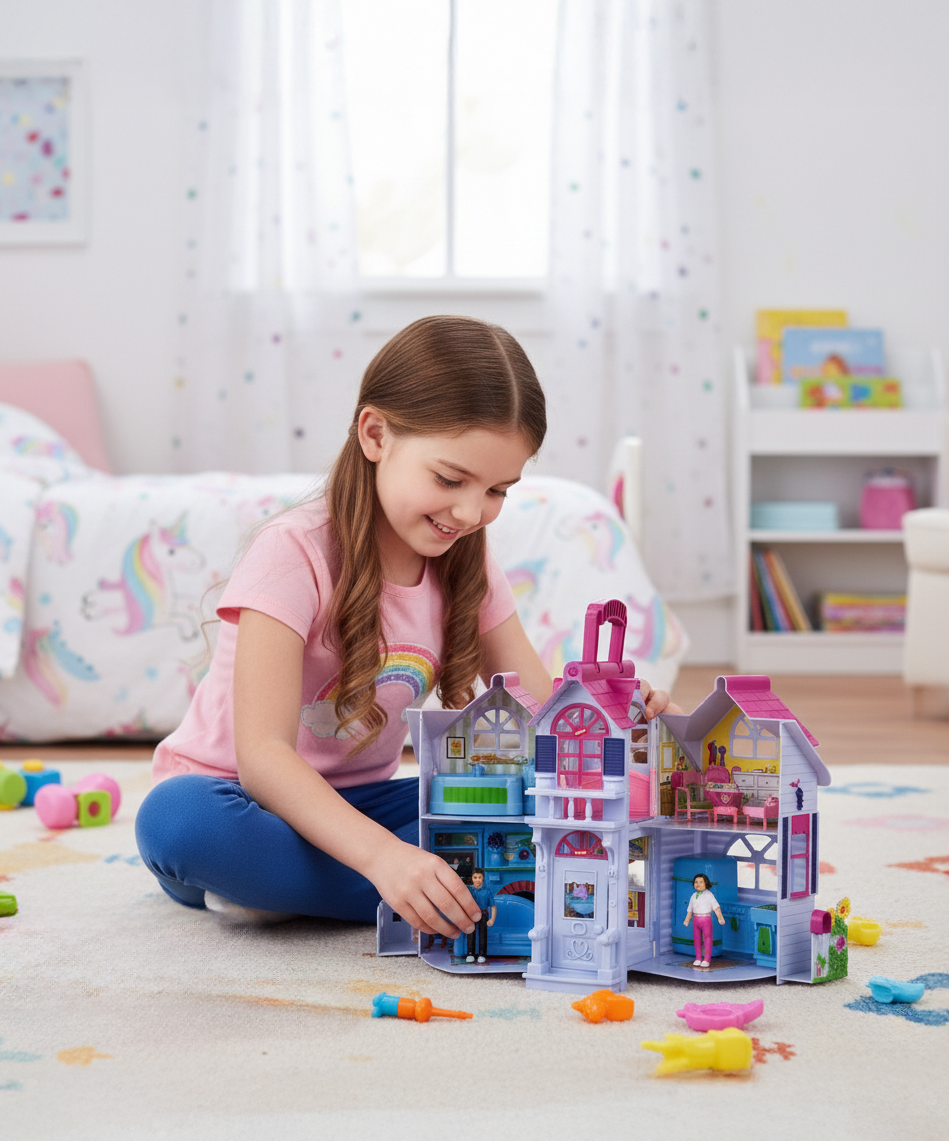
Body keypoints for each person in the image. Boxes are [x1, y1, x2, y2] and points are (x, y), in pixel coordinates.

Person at [135, 315, 670, 938]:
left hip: (360, 805)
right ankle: (419, 886)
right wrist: (386, 859)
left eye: (498, 490)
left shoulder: (469, 565)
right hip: (235, 799)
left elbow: (542, 712)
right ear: (375, 434)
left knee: (521, 803)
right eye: (450, 479)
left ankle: (301, 891)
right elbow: (263, 760)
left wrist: (619, 718)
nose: (470, 512)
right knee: (179, 823)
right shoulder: (293, 552)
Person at [683, 872, 725, 969]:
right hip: (696, 920)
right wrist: (687, 920)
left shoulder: (709, 895)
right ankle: (698, 958)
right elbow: (690, 910)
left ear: (706, 883)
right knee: (696, 939)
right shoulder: (693, 896)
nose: (698, 884)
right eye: (696, 882)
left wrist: (720, 918)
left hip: (706, 919)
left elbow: (716, 907)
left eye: (700, 882)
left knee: (707, 938)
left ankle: (706, 959)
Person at [461, 867, 496, 965]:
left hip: (483, 914)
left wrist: (492, 919)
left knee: (482, 935)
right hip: (471, 914)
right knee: (470, 933)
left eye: (479, 877)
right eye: (475, 877)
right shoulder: (469, 890)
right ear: (472, 878)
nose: (477, 880)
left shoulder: (487, 891)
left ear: (483, 878)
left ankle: (482, 954)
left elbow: (493, 906)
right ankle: (470, 953)